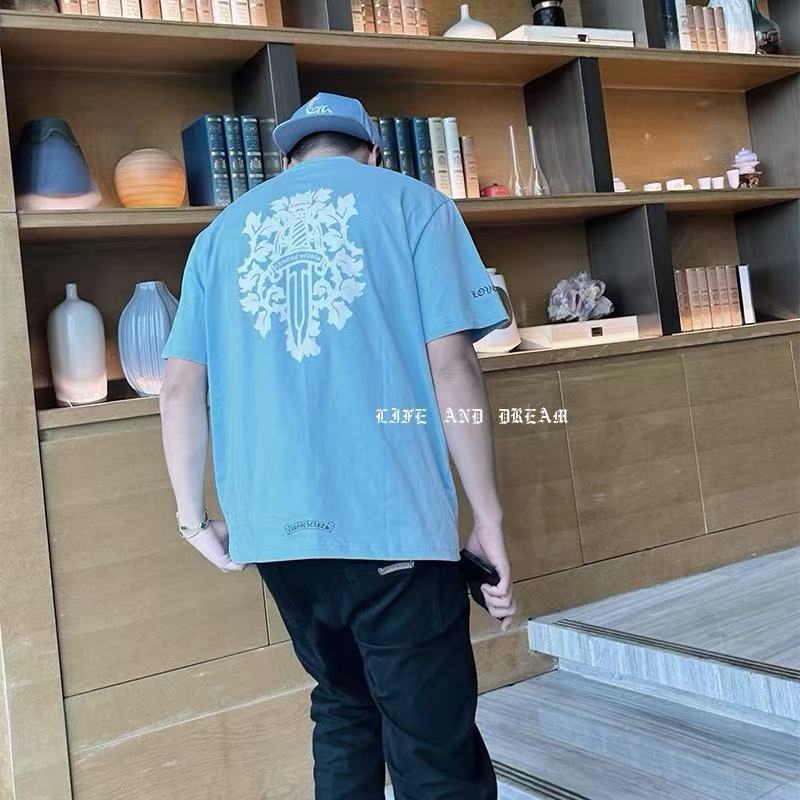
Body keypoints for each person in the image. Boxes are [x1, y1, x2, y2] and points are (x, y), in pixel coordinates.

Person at [159, 92, 517, 800]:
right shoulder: (415, 204)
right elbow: (453, 367)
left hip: (275, 534)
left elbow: (177, 387)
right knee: (432, 744)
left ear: (288, 161)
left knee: (344, 706)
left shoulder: (220, 233)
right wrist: (489, 521)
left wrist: (193, 520)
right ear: (371, 152)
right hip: (392, 525)